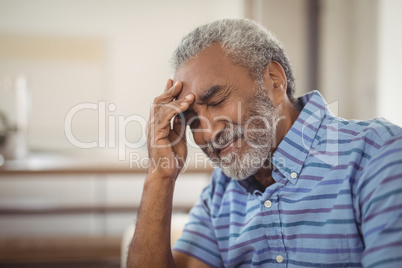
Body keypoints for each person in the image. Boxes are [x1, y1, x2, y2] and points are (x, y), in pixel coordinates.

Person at [127, 18, 402, 267]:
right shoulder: (221, 192)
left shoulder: (378, 155)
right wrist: (160, 175)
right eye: (192, 120)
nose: (208, 134)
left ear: (274, 81)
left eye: (217, 100)